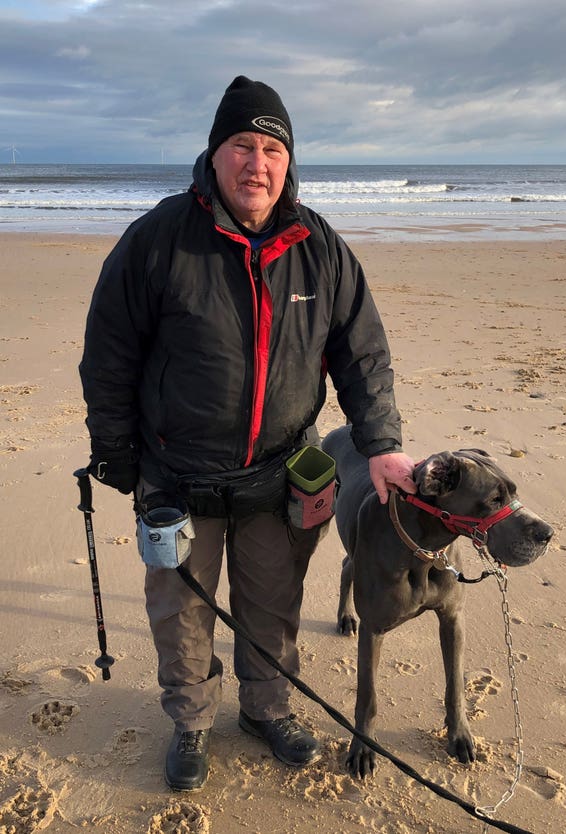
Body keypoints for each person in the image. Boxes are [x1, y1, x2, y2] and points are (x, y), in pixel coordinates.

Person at [79, 75, 416, 791]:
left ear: (288, 162)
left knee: (272, 605)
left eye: (271, 148)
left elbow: (361, 352)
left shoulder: (319, 247)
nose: (256, 163)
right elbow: (109, 352)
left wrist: (381, 442)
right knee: (180, 615)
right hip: (177, 475)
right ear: (214, 152)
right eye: (242, 145)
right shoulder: (159, 240)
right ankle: (193, 721)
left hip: (279, 472)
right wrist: (113, 448)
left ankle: (265, 709)